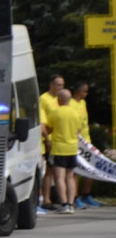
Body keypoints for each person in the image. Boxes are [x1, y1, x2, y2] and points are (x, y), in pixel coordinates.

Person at [44, 88, 80, 214]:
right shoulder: (75, 113)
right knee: (70, 177)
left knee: (59, 177)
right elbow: (78, 130)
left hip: (59, 147)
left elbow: (48, 129)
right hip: (72, 147)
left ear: (60, 99)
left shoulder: (55, 112)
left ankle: (64, 203)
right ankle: (71, 203)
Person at [70, 80, 101, 208]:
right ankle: (75, 197)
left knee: (92, 168)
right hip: (75, 142)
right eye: (85, 91)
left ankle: (86, 194)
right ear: (78, 91)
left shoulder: (83, 103)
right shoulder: (70, 104)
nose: (86, 94)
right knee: (75, 171)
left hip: (87, 142)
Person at [38, 74, 63, 212]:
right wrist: (46, 139)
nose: (61, 87)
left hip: (59, 140)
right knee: (47, 171)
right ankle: (45, 199)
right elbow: (42, 121)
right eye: (58, 84)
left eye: (62, 85)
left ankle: (54, 198)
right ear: (51, 85)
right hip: (48, 140)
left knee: (54, 172)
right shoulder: (44, 99)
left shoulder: (61, 99)